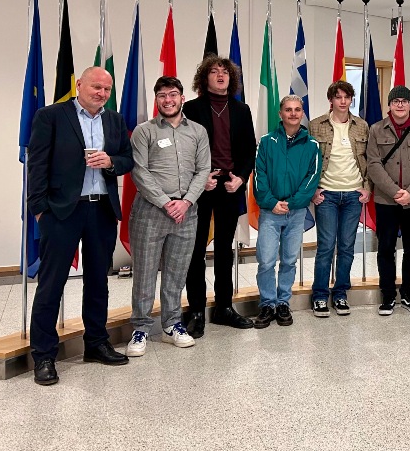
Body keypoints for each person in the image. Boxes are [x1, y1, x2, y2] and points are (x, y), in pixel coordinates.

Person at [27, 66, 134, 385]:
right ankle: (44, 355)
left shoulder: (114, 120)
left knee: (99, 282)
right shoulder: (51, 116)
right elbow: (37, 164)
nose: (102, 93)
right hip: (61, 212)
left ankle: (96, 343)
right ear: (79, 85)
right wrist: (39, 211)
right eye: (96, 87)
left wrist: (111, 162)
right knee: (52, 283)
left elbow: (127, 158)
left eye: (107, 89)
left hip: (101, 209)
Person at [126, 77, 210, 356]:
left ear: (182, 98)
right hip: (150, 212)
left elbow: (203, 171)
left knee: (177, 273)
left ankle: (172, 325)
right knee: (145, 274)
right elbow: (140, 171)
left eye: (173, 94)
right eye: (162, 95)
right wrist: (165, 202)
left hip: (187, 213)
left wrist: (185, 202)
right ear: (157, 100)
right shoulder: (143, 131)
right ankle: (140, 327)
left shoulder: (197, 131)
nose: (168, 100)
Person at [182, 55, 257, 336]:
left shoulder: (242, 109)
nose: (220, 75)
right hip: (200, 187)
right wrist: (200, 181)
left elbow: (250, 149)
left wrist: (240, 176)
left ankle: (224, 307)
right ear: (205, 78)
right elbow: (184, 151)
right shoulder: (190, 109)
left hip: (230, 185)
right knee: (196, 250)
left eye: (225, 71)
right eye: (214, 72)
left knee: (225, 250)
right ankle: (197, 311)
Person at [252, 95, 322, 327]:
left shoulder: (312, 145)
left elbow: (311, 180)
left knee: (290, 260)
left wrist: (291, 203)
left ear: (302, 113)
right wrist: (272, 202)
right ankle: (267, 304)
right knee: (266, 261)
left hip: (296, 212)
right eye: (288, 110)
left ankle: (283, 303)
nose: (293, 113)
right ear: (280, 114)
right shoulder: (266, 141)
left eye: (297, 110)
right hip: (270, 212)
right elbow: (259, 175)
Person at [366, 85, 410, 315]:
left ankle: (408, 293)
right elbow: (373, 164)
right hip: (386, 200)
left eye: (404, 101)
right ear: (390, 105)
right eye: (396, 101)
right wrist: (395, 192)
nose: (400, 105)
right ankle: (387, 295)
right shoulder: (376, 130)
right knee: (385, 248)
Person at [309, 80, 370, 317]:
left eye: (347, 97)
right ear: (331, 100)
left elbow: (370, 159)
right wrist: (312, 190)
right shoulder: (316, 126)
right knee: (325, 246)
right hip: (327, 194)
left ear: (351, 100)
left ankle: (341, 293)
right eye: (338, 97)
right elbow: (309, 161)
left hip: (354, 194)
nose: (343, 101)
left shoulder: (362, 126)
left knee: (346, 246)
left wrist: (367, 187)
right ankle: (320, 296)